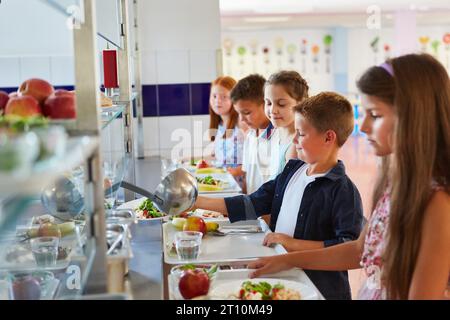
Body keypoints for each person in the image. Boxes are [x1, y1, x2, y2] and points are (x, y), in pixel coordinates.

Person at [247, 54, 450, 300]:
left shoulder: (437, 202)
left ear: (413, 116)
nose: (362, 127)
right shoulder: (396, 183)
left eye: (374, 115)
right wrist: (285, 260)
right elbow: (358, 250)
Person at [194, 92, 364, 299]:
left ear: (329, 137)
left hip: (320, 291)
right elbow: (253, 203)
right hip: (286, 279)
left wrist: (292, 244)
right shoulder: (293, 170)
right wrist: (195, 202)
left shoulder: (344, 191)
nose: (294, 139)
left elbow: (349, 249)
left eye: (301, 133)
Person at [227, 74, 275, 194]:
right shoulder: (250, 136)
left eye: (247, 112)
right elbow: (247, 178)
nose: (242, 119)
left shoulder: (277, 138)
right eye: (239, 113)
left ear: (266, 104)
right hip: (253, 209)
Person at [264, 71, 309, 177]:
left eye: (281, 104)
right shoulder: (275, 133)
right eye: (268, 103)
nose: (273, 110)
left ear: (301, 103)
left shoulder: (296, 145)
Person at [207, 76, 245, 171]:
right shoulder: (219, 125)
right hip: (223, 182)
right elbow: (216, 157)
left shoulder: (242, 122)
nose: (217, 101)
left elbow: (252, 162)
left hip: (238, 184)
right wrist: (185, 160)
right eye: (214, 96)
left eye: (224, 97)